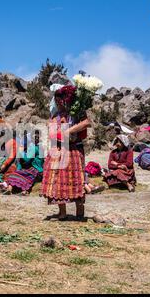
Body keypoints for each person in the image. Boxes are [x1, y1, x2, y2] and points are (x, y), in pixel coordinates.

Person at [42, 85, 90, 221]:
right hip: (58, 150)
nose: (58, 103)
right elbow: (52, 134)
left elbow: (86, 123)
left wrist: (69, 130)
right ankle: (62, 212)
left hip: (74, 150)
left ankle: (80, 212)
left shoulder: (77, 114)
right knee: (58, 181)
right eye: (56, 101)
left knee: (76, 179)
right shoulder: (55, 117)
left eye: (60, 100)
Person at [5, 131, 44, 195]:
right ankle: (13, 189)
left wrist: (21, 152)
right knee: (22, 175)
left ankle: (12, 189)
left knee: (16, 175)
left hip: (36, 170)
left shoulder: (34, 148)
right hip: (39, 170)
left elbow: (26, 159)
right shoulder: (40, 147)